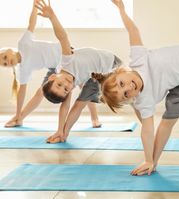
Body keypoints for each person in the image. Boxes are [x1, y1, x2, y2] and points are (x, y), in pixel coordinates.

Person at [93, 0, 179, 177]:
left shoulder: (138, 60)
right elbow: (147, 131)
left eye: (123, 83)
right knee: (167, 121)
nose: (129, 87)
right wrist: (148, 159)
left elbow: (133, 31)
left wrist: (121, 8)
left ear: (122, 71)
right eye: (126, 94)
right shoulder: (144, 101)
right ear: (130, 99)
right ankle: (154, 162)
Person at [0, 0, 103, 129]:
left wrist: (34, 7)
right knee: (40, 92)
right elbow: (22, 92)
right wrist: (16, 114)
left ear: (10, 50)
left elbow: (31, 24)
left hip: (65, 55)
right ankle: (19, 119)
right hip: (55, 67)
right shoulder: (22, 70)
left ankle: (95, 117)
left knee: (84, 87)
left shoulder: (23, 44)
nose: (6, 61)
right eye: (4, 64)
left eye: (4, 57)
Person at [35, 0, 122, 143]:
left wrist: (52, 17)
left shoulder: (66, 61)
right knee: (79, 104)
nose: (66, 86)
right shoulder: (69, 84)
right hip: (96, 76)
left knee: (114, 94)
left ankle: (65, 132)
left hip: (112, 63)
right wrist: (59, 129)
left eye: (59, 85)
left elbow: (63, 37)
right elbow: (66, 107)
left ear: (52, 77)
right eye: (65, 90)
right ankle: (63, 135)